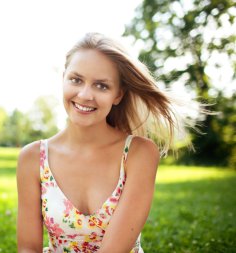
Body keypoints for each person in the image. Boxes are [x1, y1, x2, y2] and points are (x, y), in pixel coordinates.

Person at [16, 32, 195, 253]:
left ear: (118, 95)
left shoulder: (138, 153)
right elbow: (28, 249)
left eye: (101, 86)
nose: (84, 95)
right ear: (63, 79)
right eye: (76, 79)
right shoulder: (33, 158)